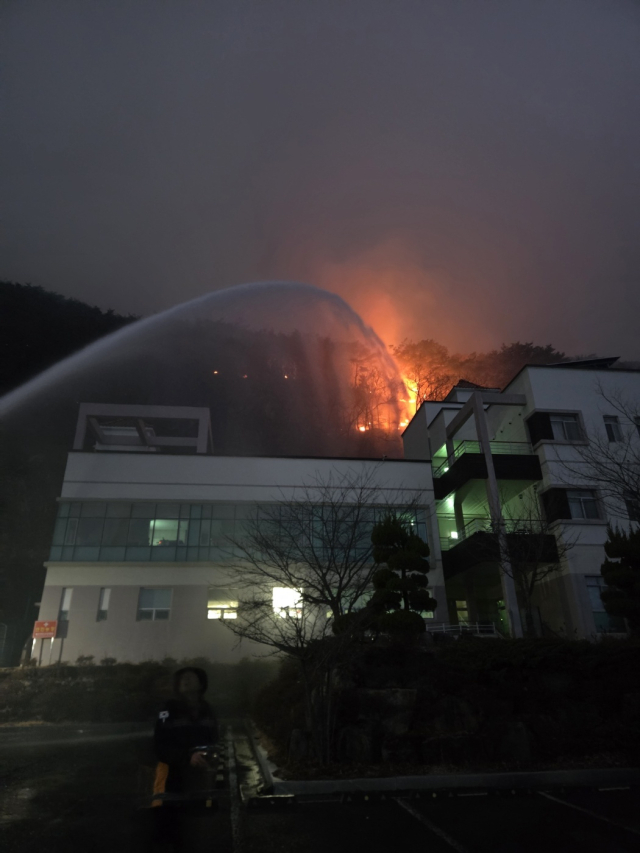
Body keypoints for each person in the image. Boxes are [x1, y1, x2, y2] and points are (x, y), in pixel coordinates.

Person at [152, 667, 219, 806]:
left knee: (197, 818)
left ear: (201, 684)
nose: (185, 680)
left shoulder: (207, 710)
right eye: (182, 678)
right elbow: (160, 747)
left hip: (199, 778)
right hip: (171, 779)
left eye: (190, 677)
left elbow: (213, 739)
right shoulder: (168, 709)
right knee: (168, 820)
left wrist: (210, 754)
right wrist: (188, 757)